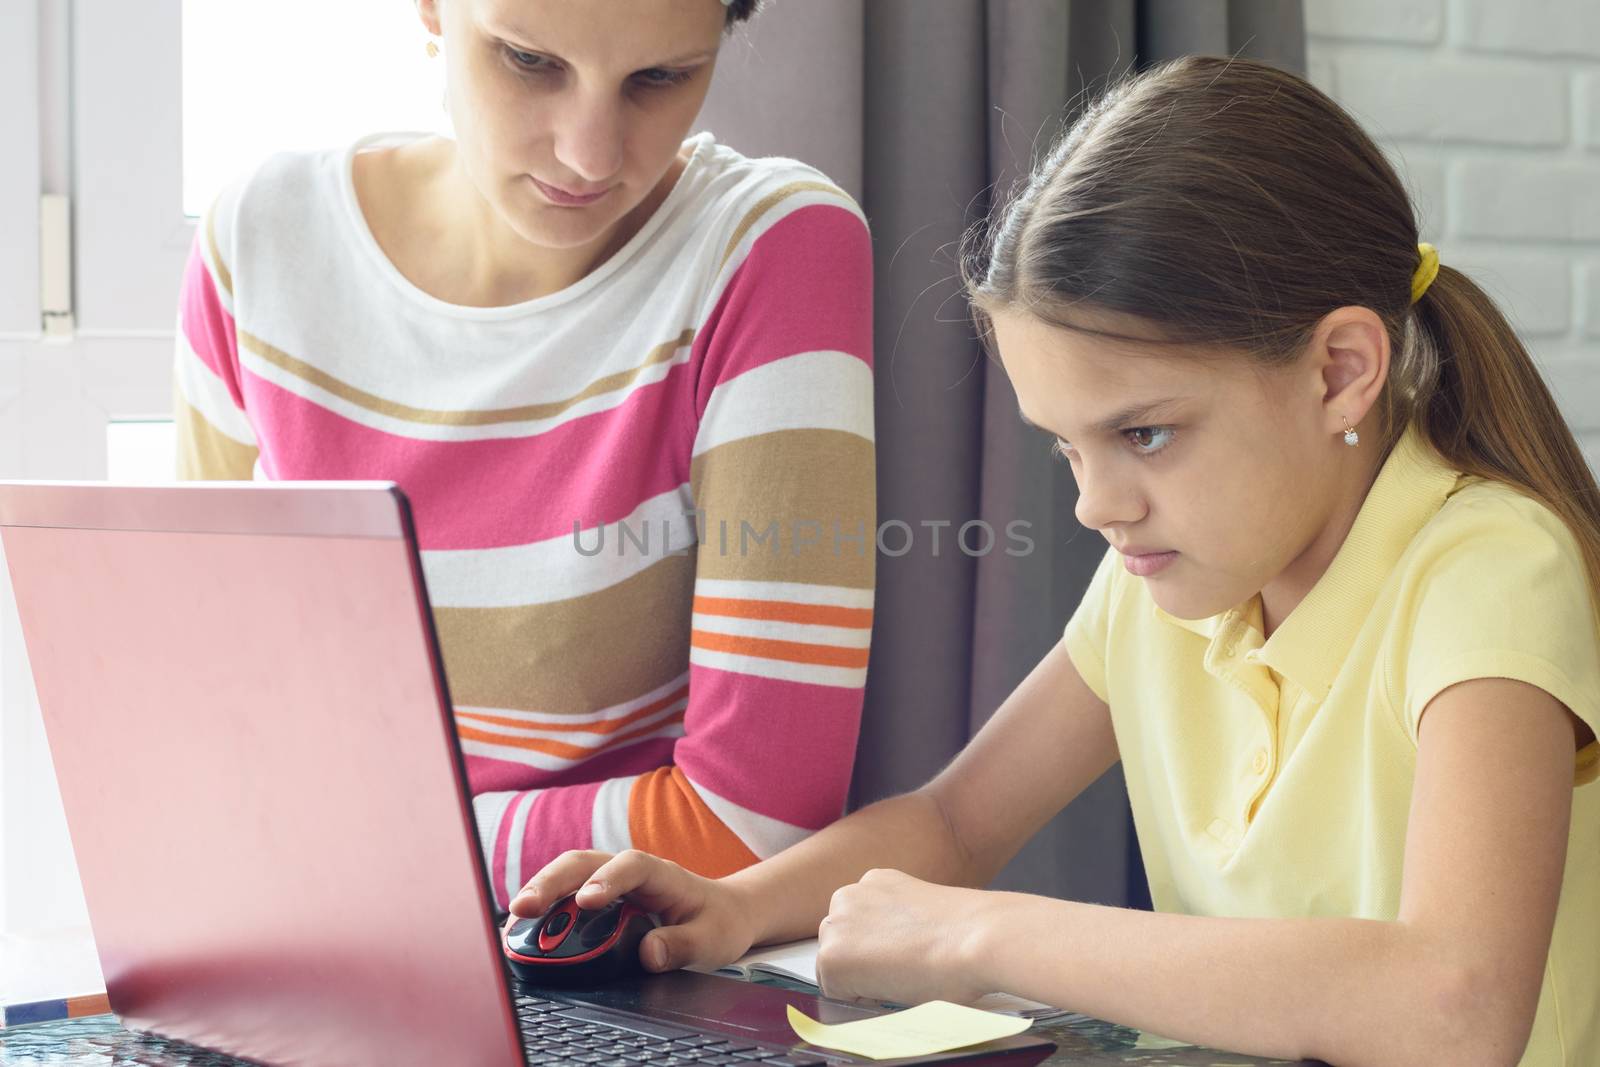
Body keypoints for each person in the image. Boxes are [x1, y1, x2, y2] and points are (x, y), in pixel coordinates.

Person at [509, 56, 1599, 1067]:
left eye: (1146, 433)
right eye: (1066, 446)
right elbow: (954, 821)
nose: (1096, 504)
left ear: (1339, 372)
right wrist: (737, 902)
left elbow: (1455, 1003)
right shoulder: (1173, 571)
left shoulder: (1487, 567)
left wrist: (983, 932)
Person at [172, 0, 875, 909]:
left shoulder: (770, 249)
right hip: (295, 941)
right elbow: (206, 731)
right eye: (529, 61)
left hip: (599, 972)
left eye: (659, 79)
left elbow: (751, 826)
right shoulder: (258, 245)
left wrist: (341, 850)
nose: (590, 153)